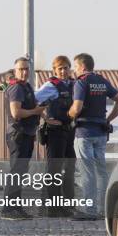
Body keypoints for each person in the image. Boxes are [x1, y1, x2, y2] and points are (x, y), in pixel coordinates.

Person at [68, 53, 118, 219]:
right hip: (100, 132)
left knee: (87, 172)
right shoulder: (102, 81)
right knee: (101, 171)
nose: (74, 70)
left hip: (84, 133)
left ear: (83, 67)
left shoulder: (81, 82)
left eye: (75, 66)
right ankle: (106, 209)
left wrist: (69, 113)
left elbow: (76, 108)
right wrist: (107, 120)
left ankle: (89, 210)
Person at [2, 57, 46, 220]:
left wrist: (44, 115)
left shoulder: (26, 86)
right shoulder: (16, 88)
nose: (25, 72)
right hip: (17, 134)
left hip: (27, 133)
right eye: (21, 69)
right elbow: (16, 113)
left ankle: (16, 207)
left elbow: (33, 108)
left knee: (20, 172)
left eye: (27, 69)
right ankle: (8, 209)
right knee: (16, 172)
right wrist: (36, 111)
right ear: (15, 71)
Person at [35, 56, 76, 217]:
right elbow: (35, 100)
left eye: (66, 68)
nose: (63, 71)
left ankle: (67, 204)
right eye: (60, 68)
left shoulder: (74, 85)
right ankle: (52, 207)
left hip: (70, 132)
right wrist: (45, 117)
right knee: (54, 170)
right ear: (55, 70)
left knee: (70, 168)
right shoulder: (51, 86)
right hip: (55, 133)